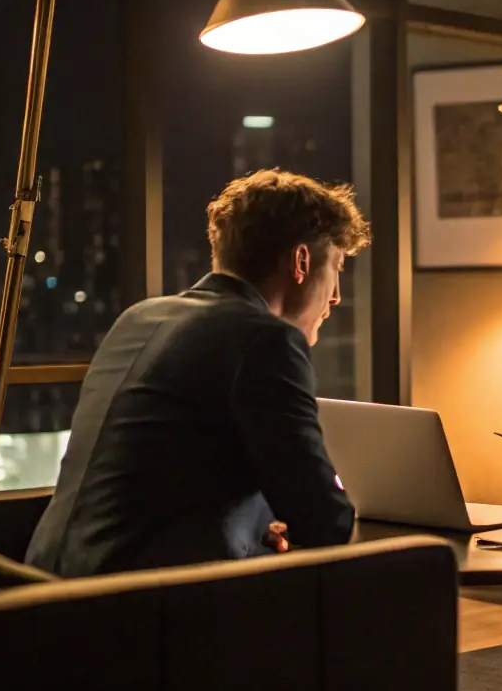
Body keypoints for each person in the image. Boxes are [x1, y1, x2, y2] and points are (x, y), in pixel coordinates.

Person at [25, 169, 370, 577]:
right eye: (337, 268)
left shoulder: (138, 318)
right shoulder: (266, 342)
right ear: (301, 261)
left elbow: (167, 480)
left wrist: (255, 524)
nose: (336, 297)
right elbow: (325, 523)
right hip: (135, 608)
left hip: (43, 589)